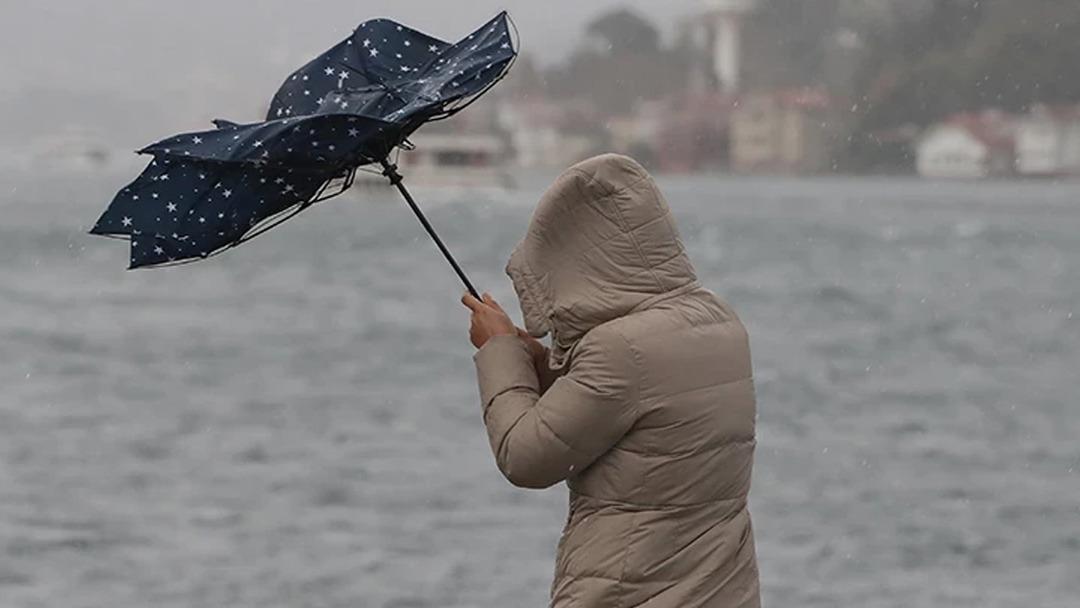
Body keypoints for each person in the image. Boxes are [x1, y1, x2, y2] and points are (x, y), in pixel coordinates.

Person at [461, 154, 759, 608]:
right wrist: (534, 358)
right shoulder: (717, 320)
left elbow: (525, 457)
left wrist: (499, 351)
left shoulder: (621, 349)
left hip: (628, 590)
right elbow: (632, 407)